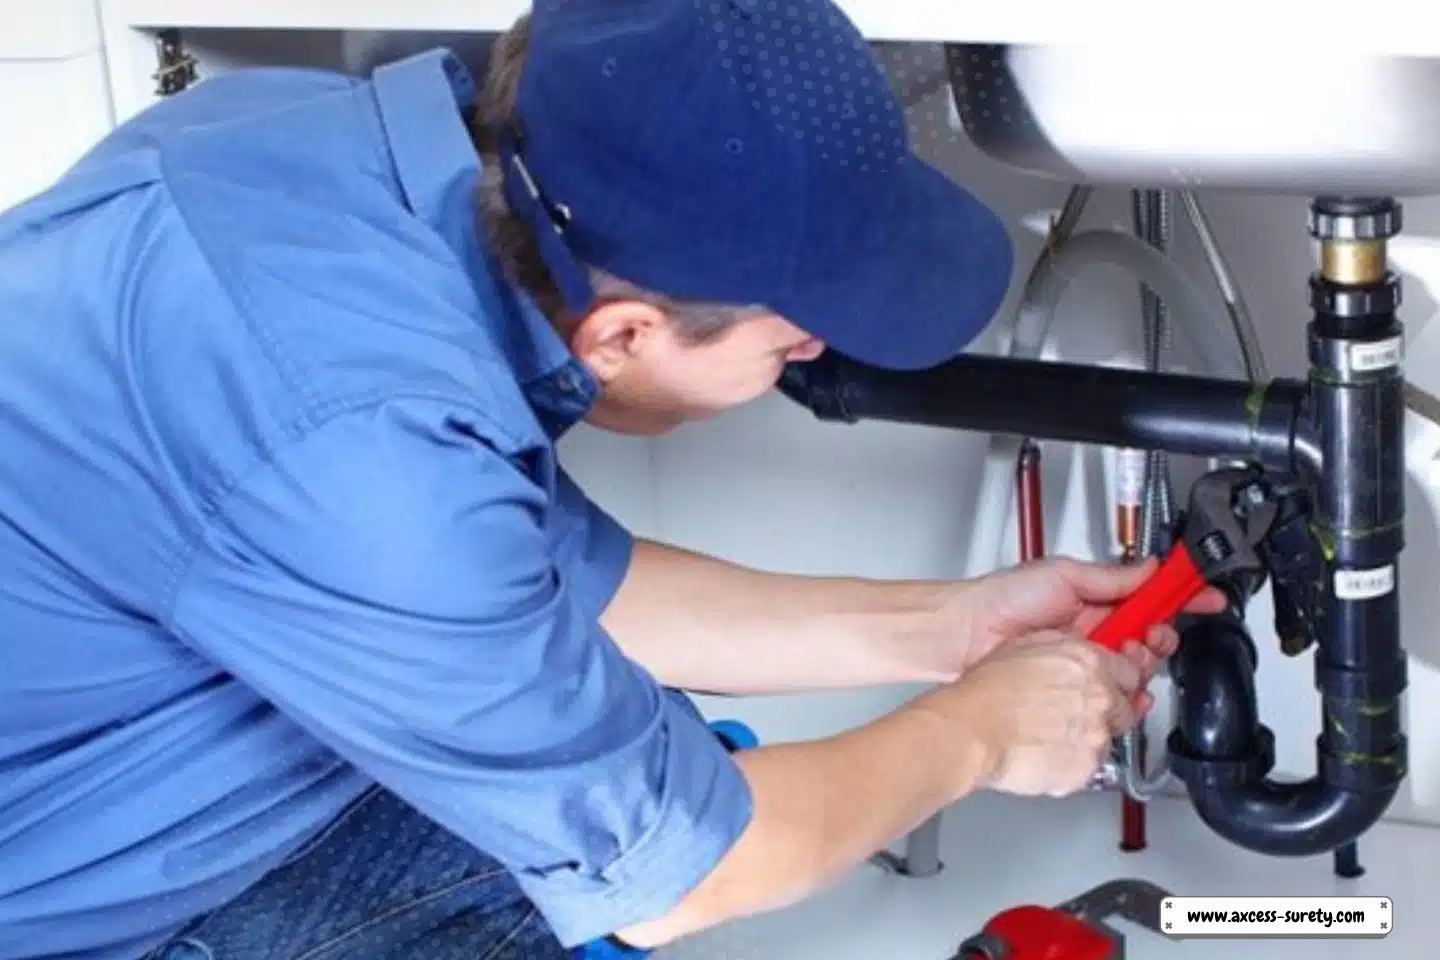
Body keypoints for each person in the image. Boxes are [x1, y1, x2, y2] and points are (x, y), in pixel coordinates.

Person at [0, 1, 1220, 958]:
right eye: (791, 343)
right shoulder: (364, 454)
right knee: (637, 844)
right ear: (623, 335)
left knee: (655, 768)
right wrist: (978, 738)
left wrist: (952, 630)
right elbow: (690, 878)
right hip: (81, 909)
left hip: (141, 759)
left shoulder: (322, 155)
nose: (809, 358)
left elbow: (539, 583)